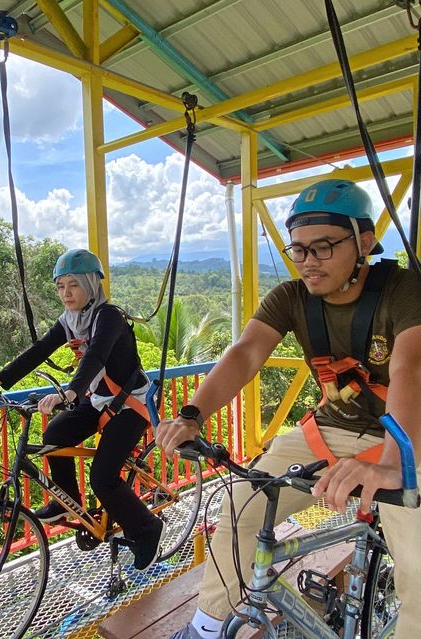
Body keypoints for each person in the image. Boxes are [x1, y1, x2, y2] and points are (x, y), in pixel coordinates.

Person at [156, 179, 421, 638]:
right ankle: (209, 626)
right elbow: (246, 353)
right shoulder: (291, 297)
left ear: (363, 242)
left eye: (322, 247)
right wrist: (192, 414)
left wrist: (395, 464)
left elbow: (411, 369)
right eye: (298, 250)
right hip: (330, 429)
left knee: (417, 564)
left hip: (403, 436)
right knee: (243, 504)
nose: (308, 262)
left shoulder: (404, 290)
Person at [0, 248, 165, 571]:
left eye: (72, 285)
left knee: (103, 476)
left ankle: (147, 529)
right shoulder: (70, 321)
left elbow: (96, 356)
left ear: (91, 284)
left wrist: (71, 392)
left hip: (132, 403)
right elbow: (40, 349)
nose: (65, 293)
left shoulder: (108, 316)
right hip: (98, 399)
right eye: (60, 286)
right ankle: (64, 502)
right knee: (55, 433)